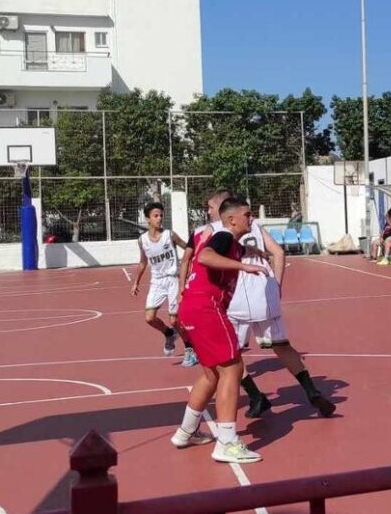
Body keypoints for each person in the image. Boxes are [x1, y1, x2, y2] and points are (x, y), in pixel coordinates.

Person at [170, 197, 267, 463]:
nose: (252, 218)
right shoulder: (223, 236)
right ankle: (227, 442)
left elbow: (233, 250)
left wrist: (252, 253)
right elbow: (205, 256)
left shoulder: (231, 243)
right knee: (232, 369)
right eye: (248, 214)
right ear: (232, 219)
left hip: (191, 307)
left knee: (211, 374)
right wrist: (244, 265)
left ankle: (186, 432)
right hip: (206, 307)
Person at [224, 205, 337, 419]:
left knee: (230, 355)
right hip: (265, 293)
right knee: (283, 347)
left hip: (237, 298)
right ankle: (312, 391)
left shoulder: (219, 232)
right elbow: (278, 252)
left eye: (210, 207)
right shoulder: (256, 227)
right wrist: (276, 284)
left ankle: (256, 396)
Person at [129, 201, 198, 366]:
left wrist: (190, 266)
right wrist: (135, 282)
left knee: (175, 320)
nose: (159, 218)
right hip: (157, 281)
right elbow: (143, 262)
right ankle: (168, 334)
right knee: (149, 318)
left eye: (161, 215)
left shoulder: (170, 235)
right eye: (155, 216)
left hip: (173, 279)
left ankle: (190, 349)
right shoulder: (142, 240)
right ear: (148, 219)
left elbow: (189, 249)